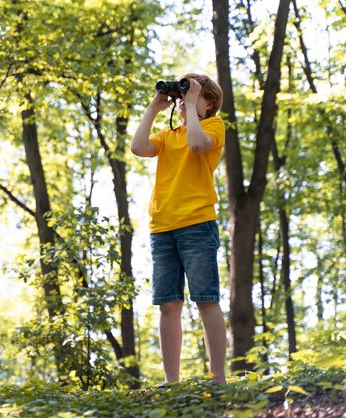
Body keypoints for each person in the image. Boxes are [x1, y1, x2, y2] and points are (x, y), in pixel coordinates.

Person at [131, 73, 226, 384]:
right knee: (168, 305)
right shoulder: (167, 134)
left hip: (197, 224)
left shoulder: (213, 126)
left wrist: (191, 108)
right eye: (182, 98)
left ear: (209, 104)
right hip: (162, 227)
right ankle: (172, 381)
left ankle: (218, 377)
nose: (184, 103)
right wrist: (154, 108)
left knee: (206, 299)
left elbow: (197, 145)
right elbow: (138, 147)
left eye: (193, 96)